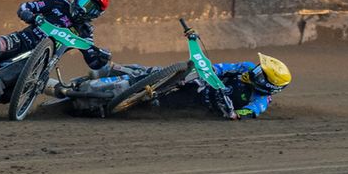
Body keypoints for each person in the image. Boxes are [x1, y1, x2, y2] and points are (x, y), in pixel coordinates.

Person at [122, 52, 292, 119]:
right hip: (202, 80)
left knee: (158, 103)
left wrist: (234, 114)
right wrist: (211, 70)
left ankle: (122, 108)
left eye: (261, 74)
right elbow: (223, 67)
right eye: (259, 68)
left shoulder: (261, 101)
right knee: (160, 72)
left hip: (202, 102)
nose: (255, 72)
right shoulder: (247, 67)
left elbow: (246, 113)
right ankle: (123, 71)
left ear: (269, 85)